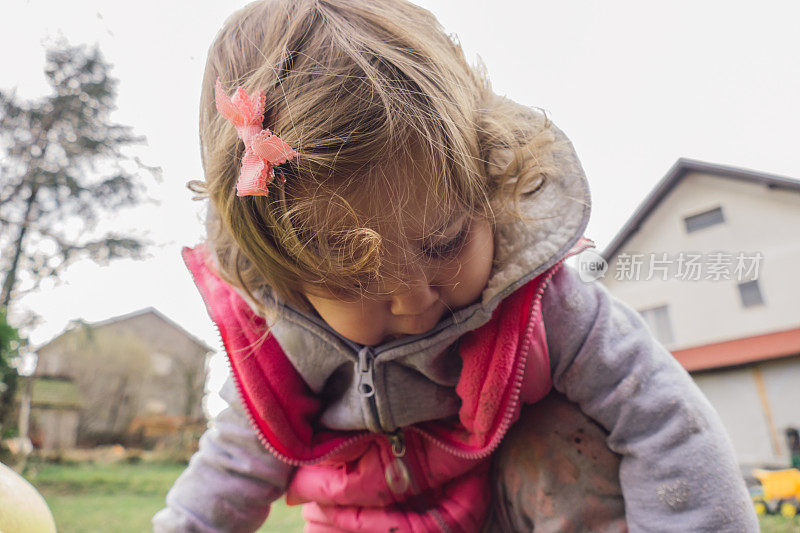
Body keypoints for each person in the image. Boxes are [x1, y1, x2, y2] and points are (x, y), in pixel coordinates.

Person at [153, 0, 758, 531]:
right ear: (285, 273)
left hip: (513, 507)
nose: (415, 298)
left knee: (561, 447)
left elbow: (665, 419)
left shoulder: (543, 307)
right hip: (365, 525)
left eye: (444, 243)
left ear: (487, 187)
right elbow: (228, 471)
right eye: (360, 280)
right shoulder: (279, 346)